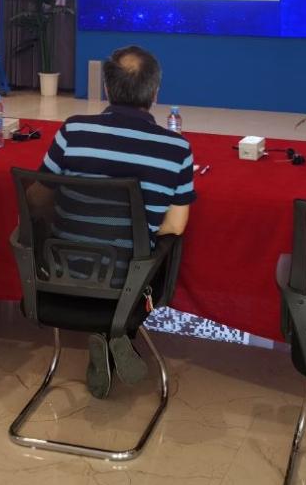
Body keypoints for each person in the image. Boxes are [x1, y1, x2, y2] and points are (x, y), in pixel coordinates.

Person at [38, 45, 194, 398]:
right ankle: (117, 330)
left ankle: (109, 335)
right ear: (155, 92)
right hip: (127, 280)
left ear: (107, 88)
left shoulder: (73, 130)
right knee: (156, 248)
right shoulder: (176, 148)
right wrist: (137, 228)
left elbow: (40, 194)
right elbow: (175, 226)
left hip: (61, 268)